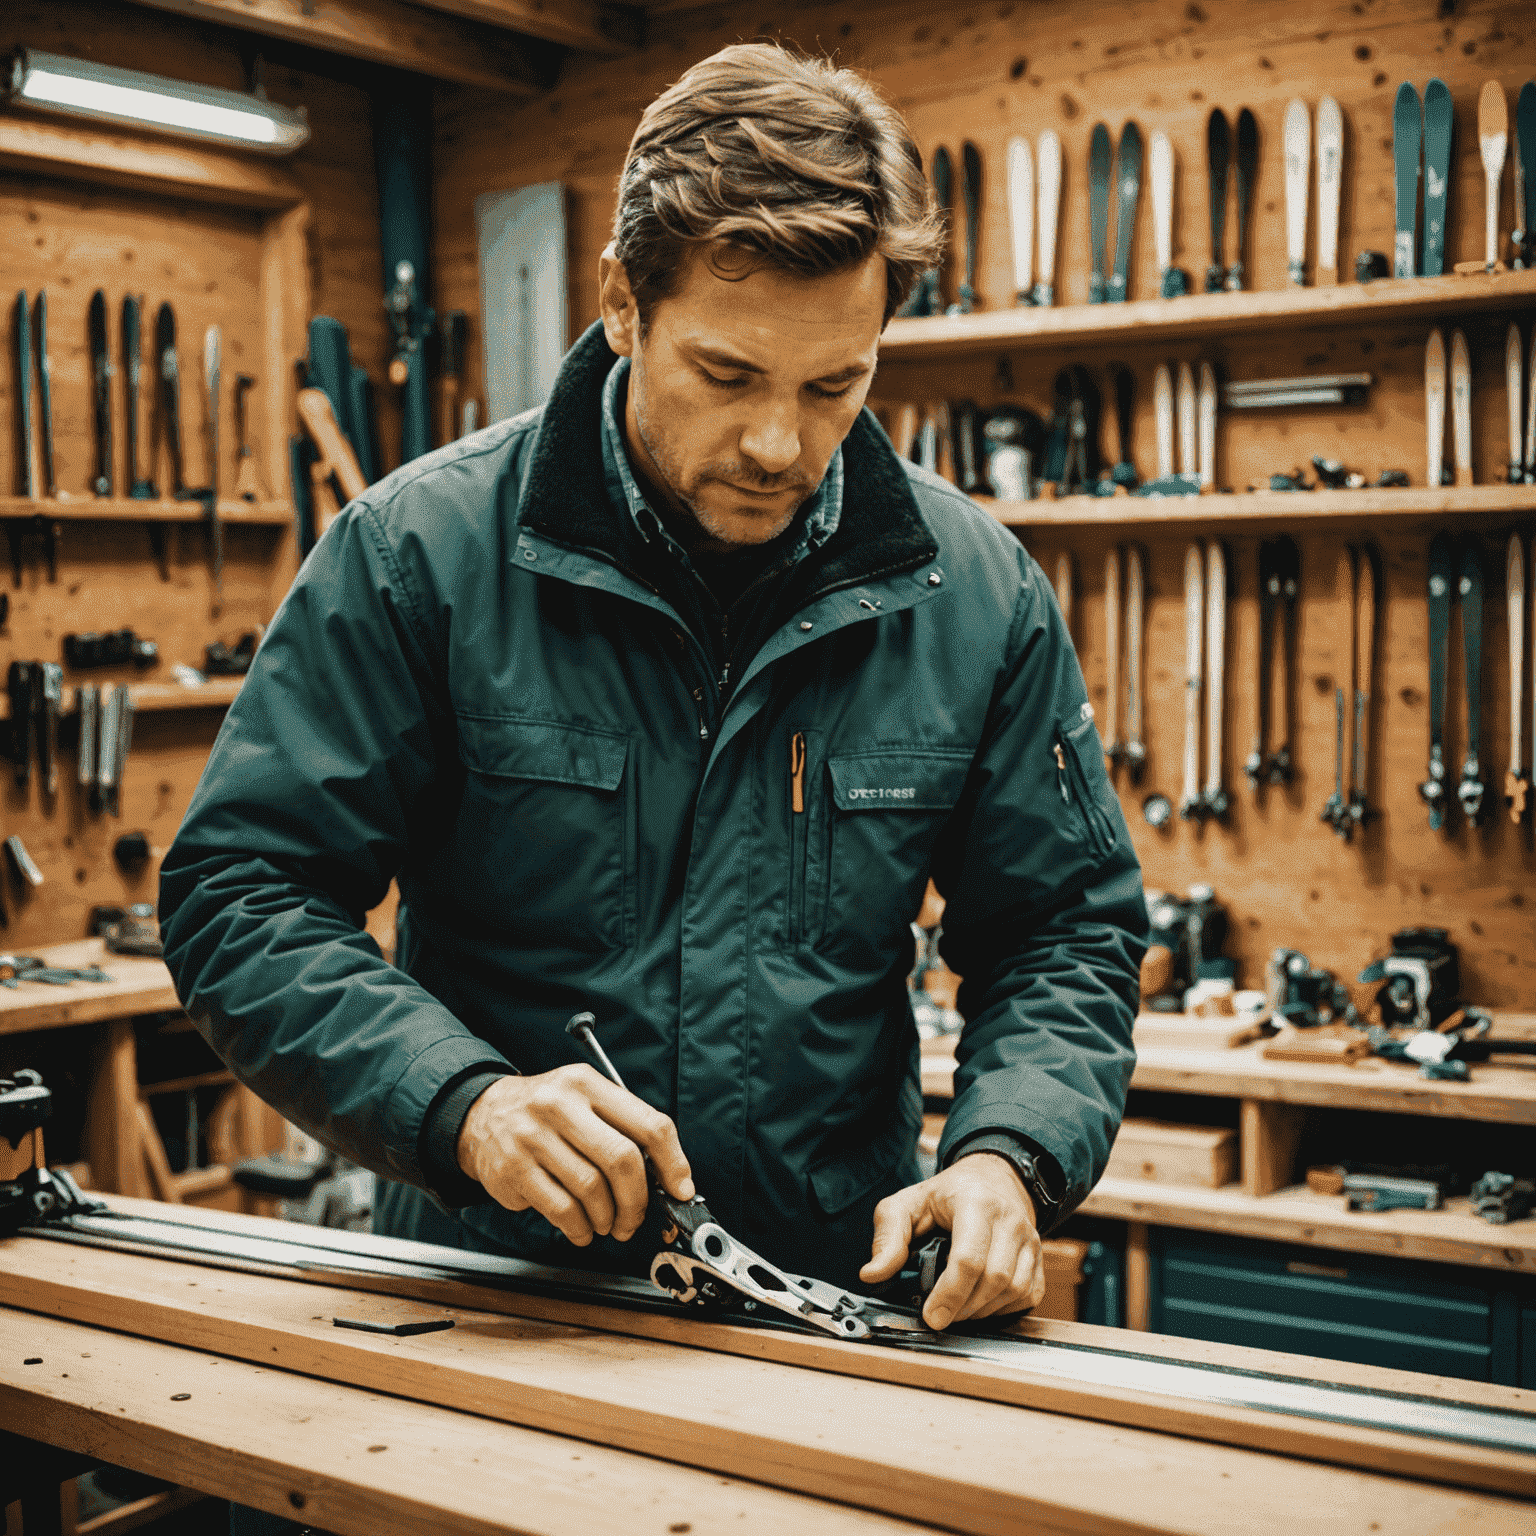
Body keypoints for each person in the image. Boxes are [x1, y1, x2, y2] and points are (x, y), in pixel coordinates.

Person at [159, 43, 1146, 1332]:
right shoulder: (420, 557)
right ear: (624, 305)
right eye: (727, 376)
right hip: (488, 1299)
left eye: (834, 385)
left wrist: (1010, 1152)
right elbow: (243, 893)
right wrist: (467, 1101)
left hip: (825, 1306)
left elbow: (1064, 927)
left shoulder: (977, 594)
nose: (779, 443)